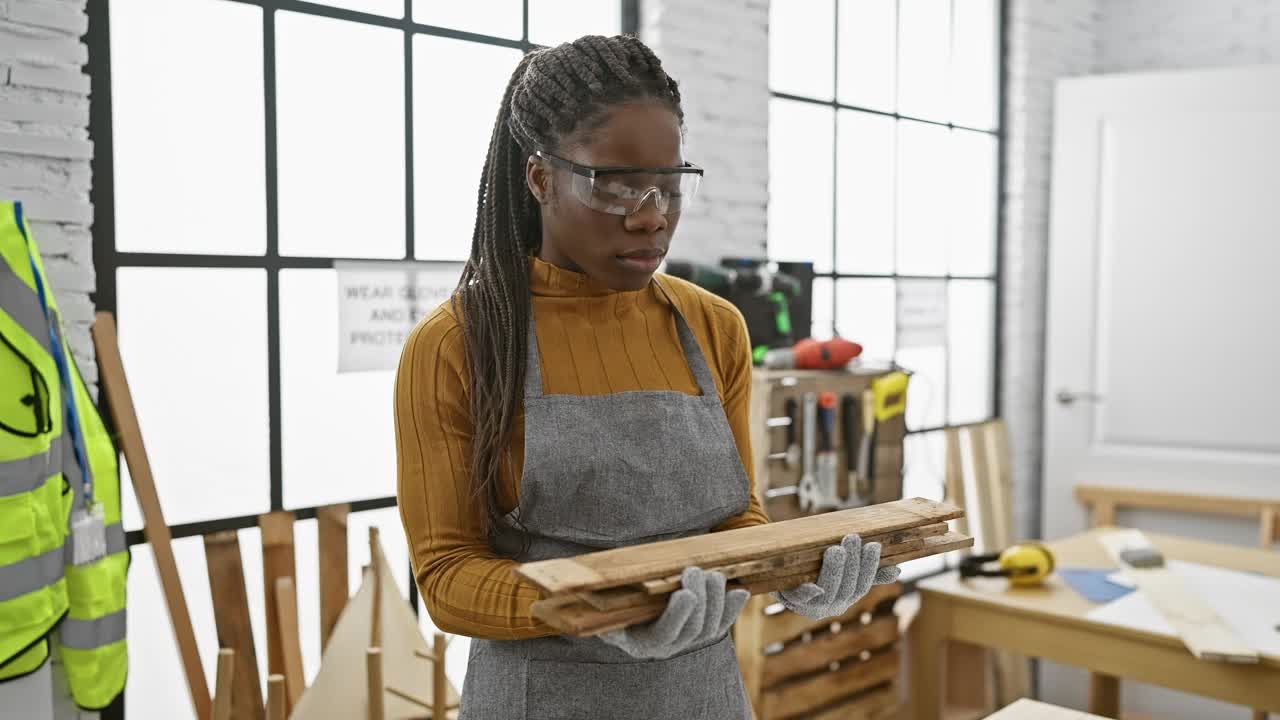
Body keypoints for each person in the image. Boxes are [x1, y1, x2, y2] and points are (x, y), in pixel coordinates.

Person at [395, 34, 899, 719]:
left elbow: (734, 519)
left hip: (704, 699)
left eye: (669, 185)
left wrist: (791, 572)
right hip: (538, 701)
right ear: (540, 178)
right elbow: (448, 577)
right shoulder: (457, 345)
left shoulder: (713, 327)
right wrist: (602, 608)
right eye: (617, 186)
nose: (652, 216)